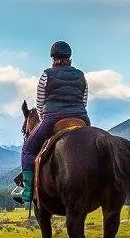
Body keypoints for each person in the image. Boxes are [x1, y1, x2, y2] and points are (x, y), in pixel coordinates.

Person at [17, 41, 90, 206]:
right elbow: (84, 101)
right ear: (69, 57)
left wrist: (44, 118)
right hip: (81, 117)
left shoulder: (46, 75)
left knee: (27, 149)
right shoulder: (81, 75)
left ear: (53, 58)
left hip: (53, 118)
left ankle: (27, 191)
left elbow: (40, 103)